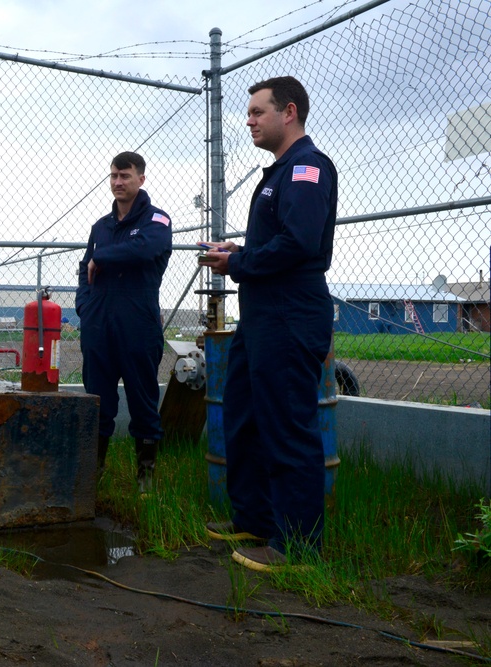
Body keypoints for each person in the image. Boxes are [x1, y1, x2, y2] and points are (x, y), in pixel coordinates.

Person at [199, 76, 337, 571]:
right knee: (245, 417)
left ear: (290, 112)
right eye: (250, 112)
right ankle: (255, 520)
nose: (250, 120)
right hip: (261, 316)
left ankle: (297, 547)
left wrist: (236, 264)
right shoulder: (279, 173)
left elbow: (299, 244)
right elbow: (278, 244)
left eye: (259, 112)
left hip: (289, 314)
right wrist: (241, 253)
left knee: (287, 427)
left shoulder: (307, 169)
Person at [75, 152, 172, 491]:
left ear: (141, 179)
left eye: (125, 176)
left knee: (143, 398)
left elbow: (143, 250)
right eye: (114, 176)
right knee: (97, 399)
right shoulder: (100, 227)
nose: (118, 182)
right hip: (98, 325)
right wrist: (84, 307)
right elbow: (83, 269)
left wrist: (101, 256)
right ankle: (94, 469)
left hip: (138, 326)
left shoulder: (157, 221)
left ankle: (145, 475)